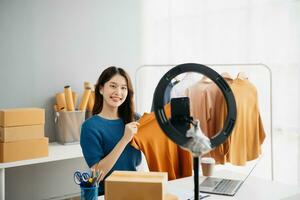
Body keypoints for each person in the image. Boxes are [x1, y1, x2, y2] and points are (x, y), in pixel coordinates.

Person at [80, 66, 141, 195]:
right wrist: (124, 140)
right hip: (107, 194)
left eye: (123, 88)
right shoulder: (90, 127)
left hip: (136, 190)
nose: (118, 92)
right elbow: (97, 174)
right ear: (101, 89)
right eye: (113, 86)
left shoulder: (135, 119)